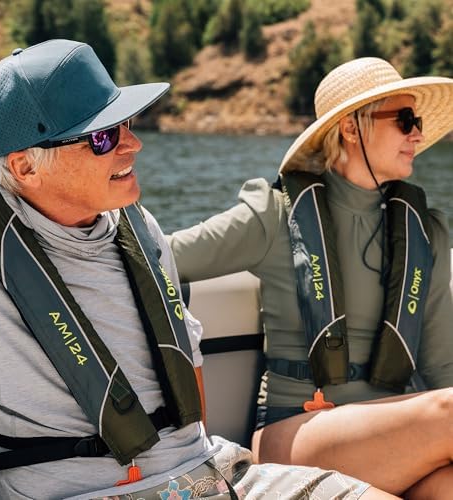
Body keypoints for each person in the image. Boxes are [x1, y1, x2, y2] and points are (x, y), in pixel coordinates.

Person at [0, 40, 397, 500]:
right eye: (103, 137)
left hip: (211, 474)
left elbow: (190, 371)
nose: (133, 144)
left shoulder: (138, 226)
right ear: (25, 167)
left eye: (125, 124)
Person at [170, 57, 453, 499]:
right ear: (351, 129)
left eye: (416, 122)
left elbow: (441, 367)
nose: (416, 134)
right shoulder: (274, 215)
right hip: (295, 430)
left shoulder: (424, 233)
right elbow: (161, 256)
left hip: (389, 437)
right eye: (404, 121)